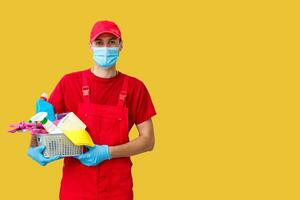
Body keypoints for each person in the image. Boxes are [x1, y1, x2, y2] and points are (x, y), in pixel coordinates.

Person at [27, 20, 156, 200]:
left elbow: (148, 141)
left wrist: (106, 152)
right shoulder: (68, 83)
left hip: (117, 189)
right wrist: (33, 146)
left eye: (111, 42)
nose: (105, 48)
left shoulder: (135, 88)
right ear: (90, 46)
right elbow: (43, 123)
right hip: (75, 189)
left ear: (121, 45)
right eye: (99, 43)